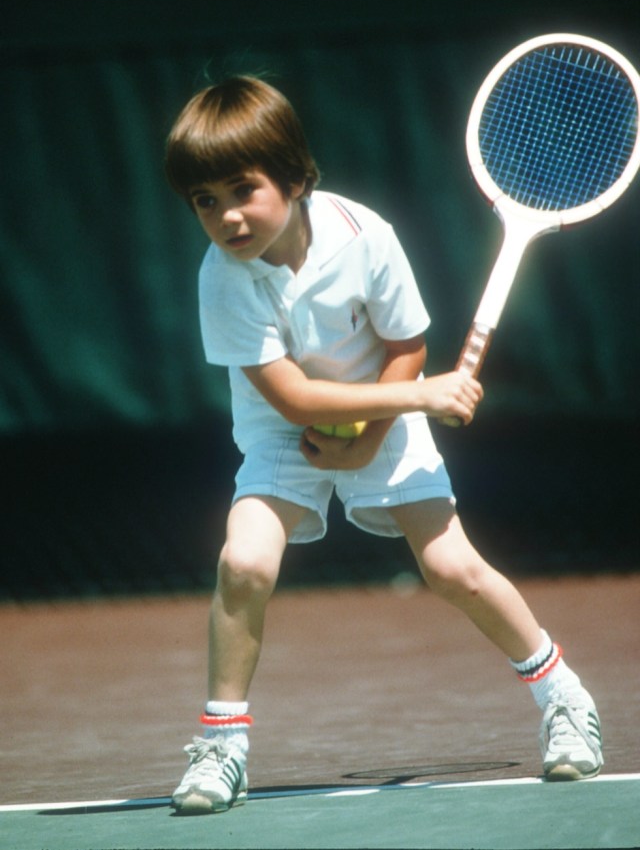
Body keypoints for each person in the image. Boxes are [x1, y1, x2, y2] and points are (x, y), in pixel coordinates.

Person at [164, 75, 603, 814]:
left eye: (243, 189)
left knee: (453, 569)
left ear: (295, 178)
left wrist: (374, 435)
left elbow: (405, 346)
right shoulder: (223, 277)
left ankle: (564, 696)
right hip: (285, 430)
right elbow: (294, 400)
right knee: (242, 563)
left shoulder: (366, 236)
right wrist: (421, 396)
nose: (227, 216)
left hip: (386, 409)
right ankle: (222, 744)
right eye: (205, 200)